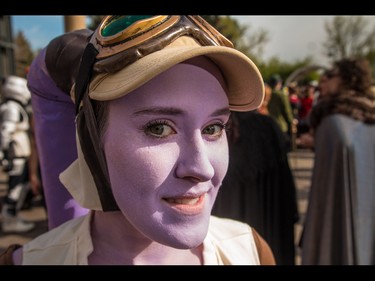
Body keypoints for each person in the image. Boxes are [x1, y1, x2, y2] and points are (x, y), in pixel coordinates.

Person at [0, 15, 275, 265]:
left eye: (213, 128)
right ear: (91, 139)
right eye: (159, 129)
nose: (203, 168)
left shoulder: (250, 251)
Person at [300, 57, 375, 265]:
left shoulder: (332, 122)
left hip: (336, 221)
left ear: (347, 79)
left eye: (330, 76)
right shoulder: (369, 113)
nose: (323, 81)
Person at [212, 110, 299, 265]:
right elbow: (285, 191)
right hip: (265, 228)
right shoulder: (267, 127)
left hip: (228, 232)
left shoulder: (214, 128)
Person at [0, 76, 35, 233]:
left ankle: (12, 216)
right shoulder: (12, 108)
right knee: (15, 188)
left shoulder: (14, 106)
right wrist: (5, 153)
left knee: (19, 187)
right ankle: (9, 219)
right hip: (16, 156)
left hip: (20, 155)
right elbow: (6, 131)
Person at [267, 74, 294, 152]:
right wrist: (291, 122)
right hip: (280, 125)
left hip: (268, 124)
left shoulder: (267, 93)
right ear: (278, 83)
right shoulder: (281, 95)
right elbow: (287, 110)